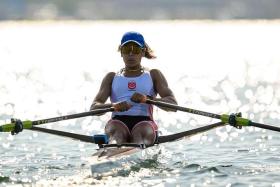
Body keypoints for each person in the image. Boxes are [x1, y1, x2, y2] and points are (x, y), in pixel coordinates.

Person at [90, 31, 177, 146]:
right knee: (116, 131)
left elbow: (173, 105)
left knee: (141, 131)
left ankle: (133, 147)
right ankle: (114, 146)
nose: (131, 54)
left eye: (135, 49)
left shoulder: (153, 74)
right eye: (126, 50)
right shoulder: (111, 77)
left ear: (142, 52)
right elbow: (94, 107)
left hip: (145, 122)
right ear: (121, 52)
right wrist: (113, 106)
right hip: (118, 122)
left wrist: (147, 99)